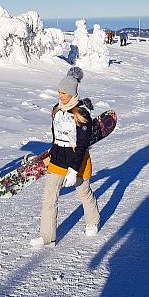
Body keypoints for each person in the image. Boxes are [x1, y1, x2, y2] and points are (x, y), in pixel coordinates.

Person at [30, 68, 100, 247]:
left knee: (84, 192)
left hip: (78, 160)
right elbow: (56, 139)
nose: (60, 95)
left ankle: (93, 221)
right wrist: (46, 157)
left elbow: (82, 145)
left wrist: (74, 169)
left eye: (63, 93)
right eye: (59, 92)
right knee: (49, 197)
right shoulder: (56, 111)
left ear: (72, 93)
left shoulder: (81, 114)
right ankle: (47, 236)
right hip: (58, 160)